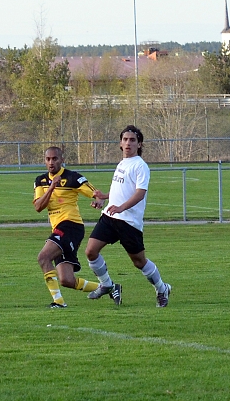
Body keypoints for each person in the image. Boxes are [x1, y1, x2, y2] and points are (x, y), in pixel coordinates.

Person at [84, 125, 171, 307]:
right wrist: (104, 198)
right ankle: (107, 284)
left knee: (139, 262)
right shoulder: (122, 163)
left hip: (129, 222)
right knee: (91, 251)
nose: (128, 143)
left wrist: (121, 207)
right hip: (110, 217)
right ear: (120, 143)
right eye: (125, 139)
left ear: (139, 144)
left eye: (132, 140)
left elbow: (140, 193)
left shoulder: (140, 166)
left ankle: (162, 288)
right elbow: (120, 190)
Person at [32, 146, 102, 308]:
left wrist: (99, 201)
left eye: (55, 159)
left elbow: (94, 193)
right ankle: (108, 287)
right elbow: (38, 207)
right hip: (58, 229)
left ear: (62, 160)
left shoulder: (72, 177)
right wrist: (51, 187)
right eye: (48, 159)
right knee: (66, 280)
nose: (51, 162)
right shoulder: (40, 181)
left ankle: (58, 302)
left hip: (71, 226)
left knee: (43, 258)